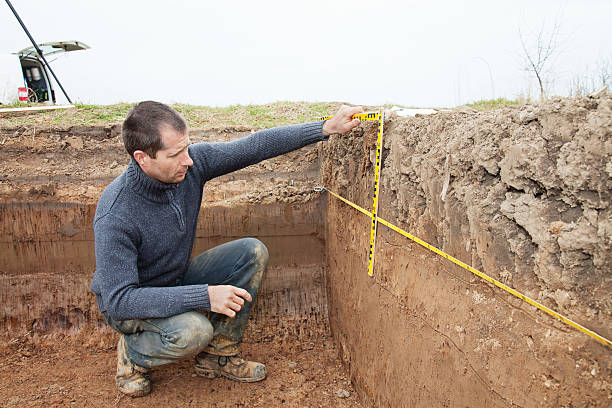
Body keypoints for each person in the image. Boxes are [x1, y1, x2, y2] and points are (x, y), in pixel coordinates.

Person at [89, 101, 363, 397]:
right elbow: (120, 300)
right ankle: (133, 354)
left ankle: (217, 356)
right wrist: (204, 296)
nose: (189, 160)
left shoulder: (190, 165)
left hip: (173, 280)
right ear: (142, 158)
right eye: (176, 154)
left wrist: (325, 128)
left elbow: (253, 146)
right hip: (131, 305)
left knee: (250, 253)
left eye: (187, 148)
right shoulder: (116, 213)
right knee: (194, 331)